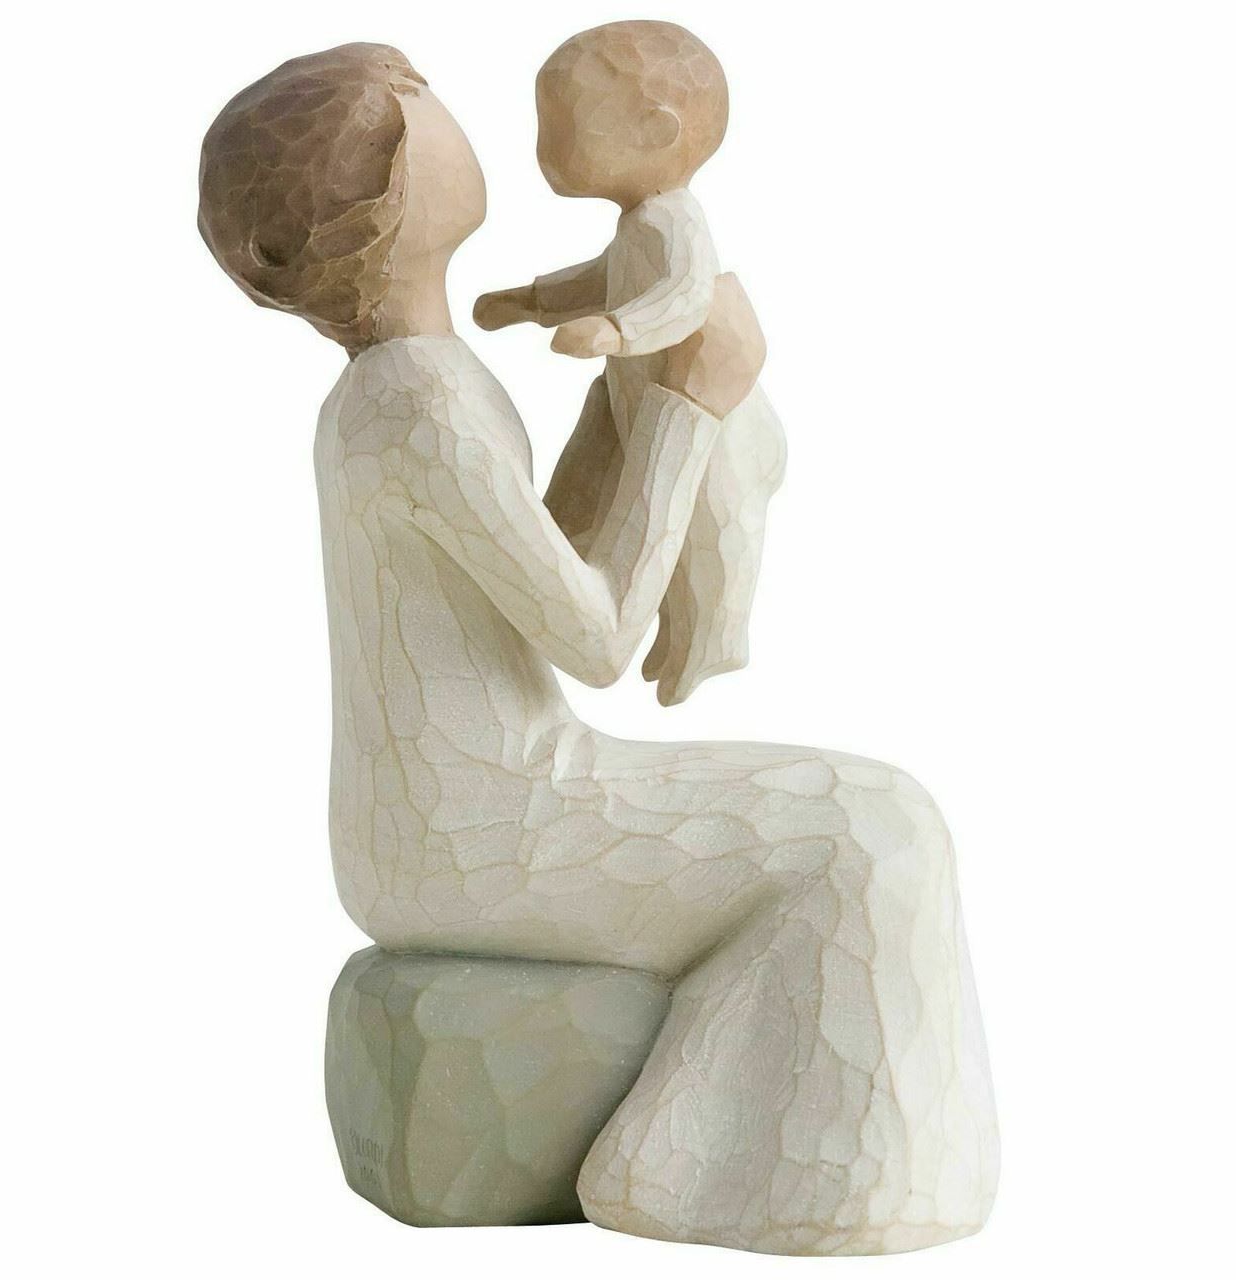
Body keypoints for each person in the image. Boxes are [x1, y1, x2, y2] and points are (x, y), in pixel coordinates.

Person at [199, 43, 997, 1255]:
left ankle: (712, 1143)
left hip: (451, 813)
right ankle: (731, 1175)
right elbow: (595, 632)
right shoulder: (415, 403)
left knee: (865, 819)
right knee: (873, 821)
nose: (457, 114)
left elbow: (544, 560)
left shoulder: (414, 384)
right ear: (384, 199)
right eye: (421, 107)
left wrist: (630, 401)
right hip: (482, 820)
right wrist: (689, 403)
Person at [476, 21, 787, 705]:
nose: (544, 146)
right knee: (634, 522)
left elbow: (687, 296)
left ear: (654, 132)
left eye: (561, 128)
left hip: (715, 427)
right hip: (643, 403)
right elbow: (602, 276)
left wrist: (619, 330)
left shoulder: (676, 222)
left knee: (711, 546)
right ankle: (643, 620)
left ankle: (710, 646)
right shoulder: (640, 226)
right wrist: (533, 300)